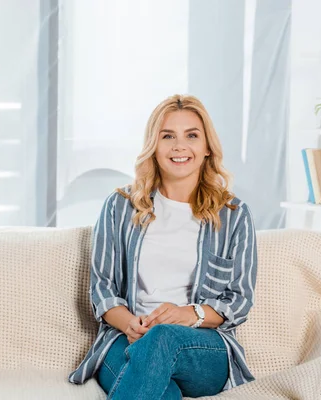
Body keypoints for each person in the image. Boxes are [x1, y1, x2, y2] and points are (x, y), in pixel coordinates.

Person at [67, 95, 258, 399]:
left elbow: (239, 301)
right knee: (163, 391)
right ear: (153, 146)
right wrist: (130, 324)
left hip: (202, 346)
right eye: (167, 136)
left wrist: (189, 314)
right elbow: (102, 290)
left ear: (207, 147)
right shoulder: (120, 206)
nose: (179, 146)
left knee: (163, 337)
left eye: (191, 135)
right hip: (126, 338)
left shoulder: (233, 214)